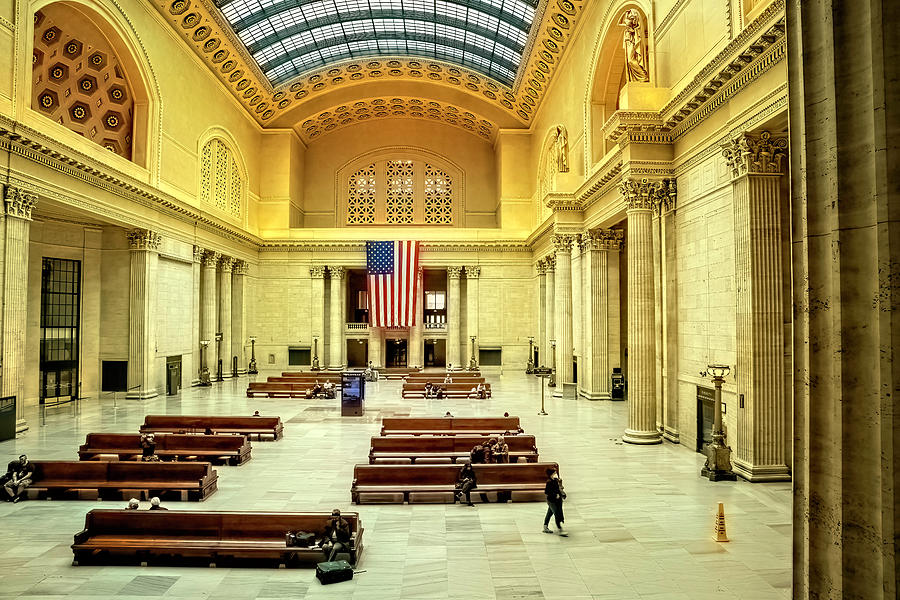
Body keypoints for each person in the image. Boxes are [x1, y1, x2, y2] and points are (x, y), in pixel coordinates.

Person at [543, 467, 567, 536]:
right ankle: (560, 529)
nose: (555, 474)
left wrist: (561, 493)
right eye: (554, 473)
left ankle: (545, 527)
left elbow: (559, 488)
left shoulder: (556, 480)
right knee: (557, 513)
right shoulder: (549, 482)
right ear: (551, 474)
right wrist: (555, 495)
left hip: (557, 500)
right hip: (552, 501)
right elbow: (547, 492)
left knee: (549, 513)